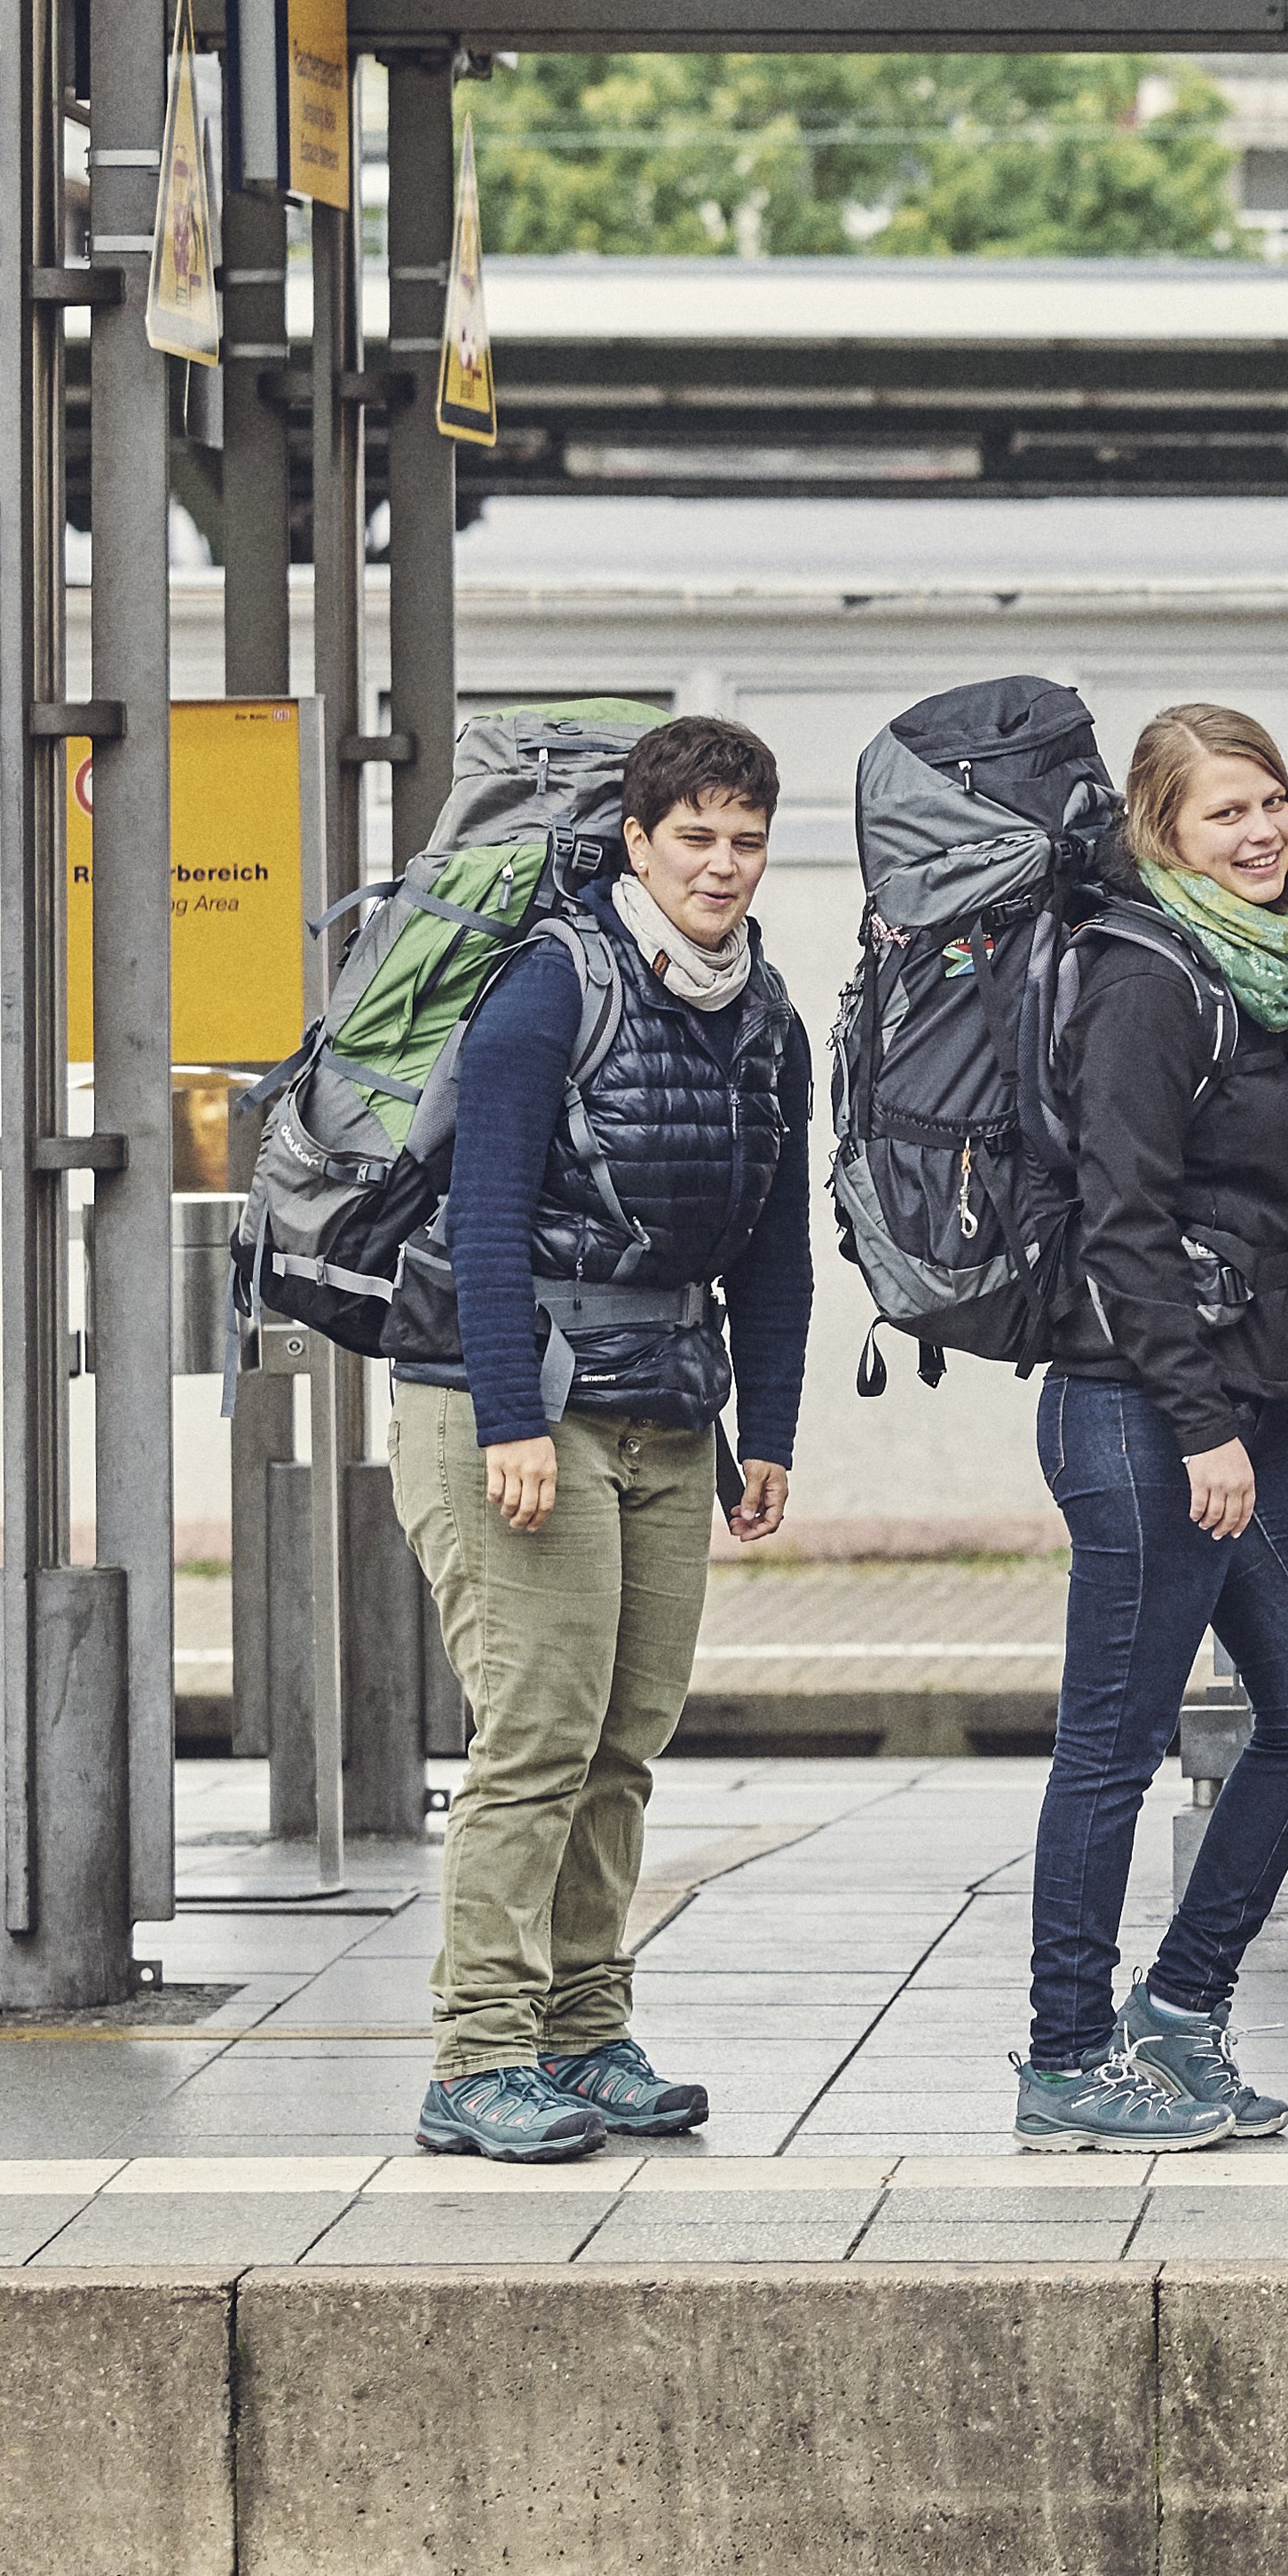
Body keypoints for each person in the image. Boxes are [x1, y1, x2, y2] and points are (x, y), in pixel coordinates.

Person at [393, 715, 813, 2166]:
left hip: (665, 1411)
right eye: (694, 836)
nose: (722, 864)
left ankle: (585, 2028)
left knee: (623, 1744)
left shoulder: (765, 1013)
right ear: (636, 843)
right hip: (512, 1401)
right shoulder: (548, 985)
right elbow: (489, 1212)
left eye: (746, 839)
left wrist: (775, 1427)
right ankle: (478, 2059)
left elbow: (773, 1250)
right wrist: (512, 1413)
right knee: (536, 1741)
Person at [1009, 704, 1288, 2152]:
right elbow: (1124, 1227)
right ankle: (1063, 2059)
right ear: (1161, 829)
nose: (1262, 831)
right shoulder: (1144, 981)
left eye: (1274, 802)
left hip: (1244, 1404)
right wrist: (1196, 1426)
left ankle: (1176, 2012)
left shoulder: (1275, 977)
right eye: (1227, 812)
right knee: (1111, 1746)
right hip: (1138, 1412)